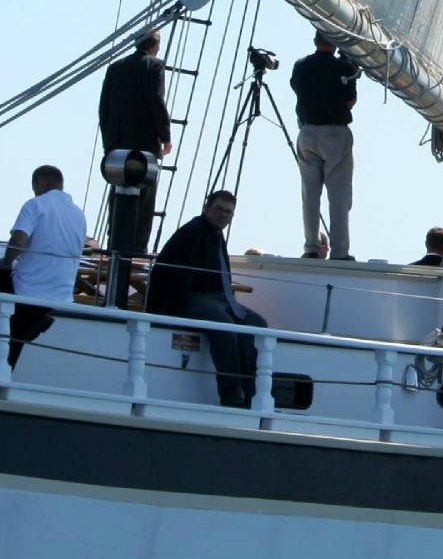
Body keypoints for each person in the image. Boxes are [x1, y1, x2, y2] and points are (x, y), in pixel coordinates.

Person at [148, 190, 268, 407]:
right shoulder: (191, 233)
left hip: (218, 298)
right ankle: (231, 395)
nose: (223, 215)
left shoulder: (216, 235)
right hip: (191, 297)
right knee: (225, 326)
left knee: (257, 325)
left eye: (228, 212)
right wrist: (167, 309)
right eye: (219, 209)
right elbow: (171, 277)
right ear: (207, 208)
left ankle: (252, 392)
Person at [0, 164, 87, 369]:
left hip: (29, 290)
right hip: (62, 294)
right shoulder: (79, 215)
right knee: (16, 337)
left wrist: (6, 263)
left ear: (39, 183)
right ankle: (34, 326)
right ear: (61, 184)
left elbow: (18, 241)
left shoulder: (36, 205)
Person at [98, 31, 172, 272]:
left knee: (118, 193)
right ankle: (137, 251)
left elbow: (104, 107)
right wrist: (165, 137)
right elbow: (156, 102)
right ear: (155, 44)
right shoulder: (154, 66)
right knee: (145, 197)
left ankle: (114, 243)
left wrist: (108, 144)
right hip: (144, 144)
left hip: (117, 144)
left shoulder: (116, 67)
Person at [290, 31, 360, 260]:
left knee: (309, 194)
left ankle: (311, 246)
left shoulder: (300, 66)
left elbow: (297, 87)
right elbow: (349, 101)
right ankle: (339, 251)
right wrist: (347, 65)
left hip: (307, 131)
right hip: (335, 132)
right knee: (338, 196)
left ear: (315, 41)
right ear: (335, 42)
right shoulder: (344, 68)